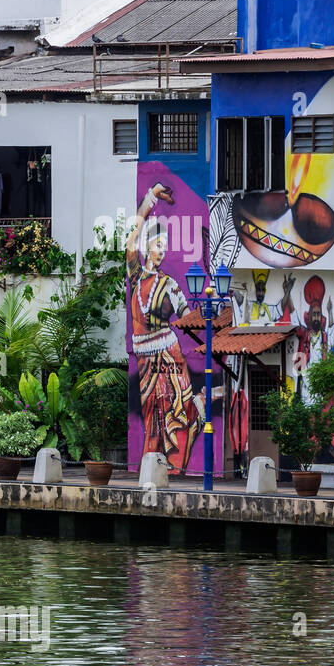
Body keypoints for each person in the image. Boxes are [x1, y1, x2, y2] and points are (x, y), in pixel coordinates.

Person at [126, 182, 205, 474]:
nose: (160, 253)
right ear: (147, 247)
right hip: (145, 358)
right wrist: (150, 199)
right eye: (157, 247)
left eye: (164, 249)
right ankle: (150, 462)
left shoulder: (170, 285)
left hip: (169, 356)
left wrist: (208, 322)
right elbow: (130, 239)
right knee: (150, 414)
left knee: (173, 409)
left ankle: (173, 464)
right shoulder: (135, 276)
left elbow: (187, 317)